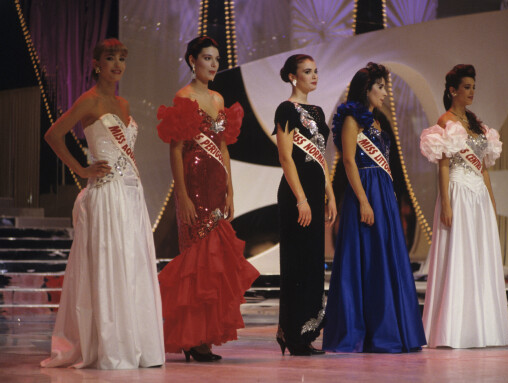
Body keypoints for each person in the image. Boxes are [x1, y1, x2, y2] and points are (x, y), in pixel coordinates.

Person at [41, 38, 165, 369]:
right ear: (97, 63)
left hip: (131, 195)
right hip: (106, 195)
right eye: (110, 58)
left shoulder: (123, 104)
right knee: (110, 269)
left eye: (122, 58)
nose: (117, 64)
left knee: (132, 268)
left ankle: (136, 346)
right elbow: (53, 134)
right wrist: (80, 168)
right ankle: (113, 348)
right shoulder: (89, 100)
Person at [156, 36, 259, 362]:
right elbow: (176, 148)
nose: (213, 64)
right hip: (194, 183)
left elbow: (224, 146)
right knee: (197, 260)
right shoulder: (182, 97)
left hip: (216, 184)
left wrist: (230, 189)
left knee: (214, 262)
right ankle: (191, 338)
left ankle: (202, 338)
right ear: (191, 61)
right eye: (207, 58)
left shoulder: (217, 97)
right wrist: (182, 195)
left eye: (217, 58)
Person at [322, 63, 426, 353]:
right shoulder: (352, 120)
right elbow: (348, 162)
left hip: (384, 194)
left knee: (386, 259)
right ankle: (366, 333)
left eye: (383, 85)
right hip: (364, 193)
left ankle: (393, 329)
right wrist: (364, 201)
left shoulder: (379, 121)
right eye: (379, 86)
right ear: (366, 90)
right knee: (366, 261)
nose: (384, 91)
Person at [420, 64, 508, 348]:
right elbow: (443, 167)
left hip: (478, 196)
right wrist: (445, 202)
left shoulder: (475, 123)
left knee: (480, 256)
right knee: (458, 255)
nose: (472, 92)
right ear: (452, 90)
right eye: (467, 87)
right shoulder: (445, 121)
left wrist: (491, 203)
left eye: (473, 87)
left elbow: (483, 169)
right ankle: (452, 329)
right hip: (457, 192)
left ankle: (482, 329)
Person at [273, 54, 337, 356]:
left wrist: (330, 194)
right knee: (297, 263)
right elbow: (286, 157)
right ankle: (292, 333)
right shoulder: (286, 109)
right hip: (295, 196)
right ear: (292, 77)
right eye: (307, 72)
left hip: (315, 192)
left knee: (313, 264)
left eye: (316, 71)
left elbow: (321, 157)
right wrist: (301, 199)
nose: (314, 76)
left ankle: (306, 332)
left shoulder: (319, 111)